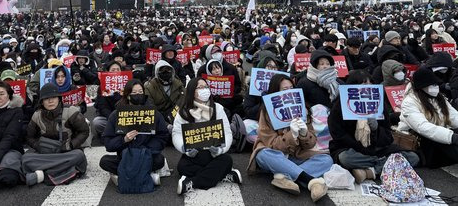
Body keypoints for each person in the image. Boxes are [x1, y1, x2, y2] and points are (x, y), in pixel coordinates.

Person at [248, 74, 331, 202]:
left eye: (291, 88)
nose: (289, 92)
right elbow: (271, 145)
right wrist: (291, 135)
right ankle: (310, 181)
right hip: (276, 156)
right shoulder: (266, 112)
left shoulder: (303, 109)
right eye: (284, 89)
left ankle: (284, 177)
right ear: (275, 92)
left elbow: (311, 142)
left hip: (297, 156)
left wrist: (304, 134)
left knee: (326, 159)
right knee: (263, 154)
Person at [328, 70, 419, 183]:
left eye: (370, 83)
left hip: (378, 148)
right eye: (363, 84)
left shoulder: (379, 103)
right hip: (353, 148)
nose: (368, 87)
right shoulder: (340, 105)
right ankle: (386, 164)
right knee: (345, 159)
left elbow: (388, 135)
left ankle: (371, 171)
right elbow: (338, 133)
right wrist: (361, 147)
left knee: (413, 158)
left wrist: (376, 129)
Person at [173, 77, 241, 195]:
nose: (204, 90)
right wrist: (185, 149)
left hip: (213, 153)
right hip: (195, 154)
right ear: (191, 91)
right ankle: (223, 175)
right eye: (199, 87)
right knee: (182, 167)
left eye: (205, 87)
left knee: (226, 160)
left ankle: (191, 183)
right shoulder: (183, 111)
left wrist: (221, 150)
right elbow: (176, 134)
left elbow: (227, 132)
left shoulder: (217, 108)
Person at [100, 79, 169, 186]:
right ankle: (147, 176)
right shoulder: (117, 114)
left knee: (160, 160)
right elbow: (108, 143)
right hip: (125, 156)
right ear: (128, 95)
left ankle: (124, 176)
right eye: (134, 93)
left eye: (141, 92)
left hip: (146, 154)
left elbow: (163, 136)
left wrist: (146, 150)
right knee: (104, 161)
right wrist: (123, 140)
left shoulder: (153, 113)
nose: (138, 95)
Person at [22, 83, 88, 186]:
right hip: (45, 153)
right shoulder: (36, 115)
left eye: (53, 97)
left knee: (79, 156)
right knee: (25, 159)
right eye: (46, 98)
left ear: (59, 98)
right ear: (42, 101)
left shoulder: (71, 112)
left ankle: (42, 174)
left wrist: (71, 145)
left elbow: (84, 131)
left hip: (67, 152)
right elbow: (29, 137)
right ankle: (58, 172)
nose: (50, 101)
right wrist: (38, 146)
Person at [398, 67, 458, 168]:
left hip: (439, 134)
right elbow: (423, 128)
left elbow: (454, 116)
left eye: (436, 84)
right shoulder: (409, 102)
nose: (436, 87)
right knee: (451, 146)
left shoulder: (439, 98)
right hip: (421, 141)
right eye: (432, 84)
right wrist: (452, 137)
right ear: (421, 86)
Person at [145, 60, 185, 127]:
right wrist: (165, 124)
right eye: (162, 71)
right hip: (159, 117)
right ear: (157, 73)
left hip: (176, 114)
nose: (165, 73)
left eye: (168, 70)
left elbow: (183, 100)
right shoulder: (150, 87)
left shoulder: (178, 84)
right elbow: (150, 108)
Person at [92, 62, 123, 139]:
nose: (115, 72)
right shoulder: (103, 86)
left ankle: (115, 133)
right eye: (113, 70)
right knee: (97, 122)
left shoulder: (127, 85)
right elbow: (103, 107)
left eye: (118, 69)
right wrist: (112, 119)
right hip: (109, 117)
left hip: (125, 117)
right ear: (108, 72)